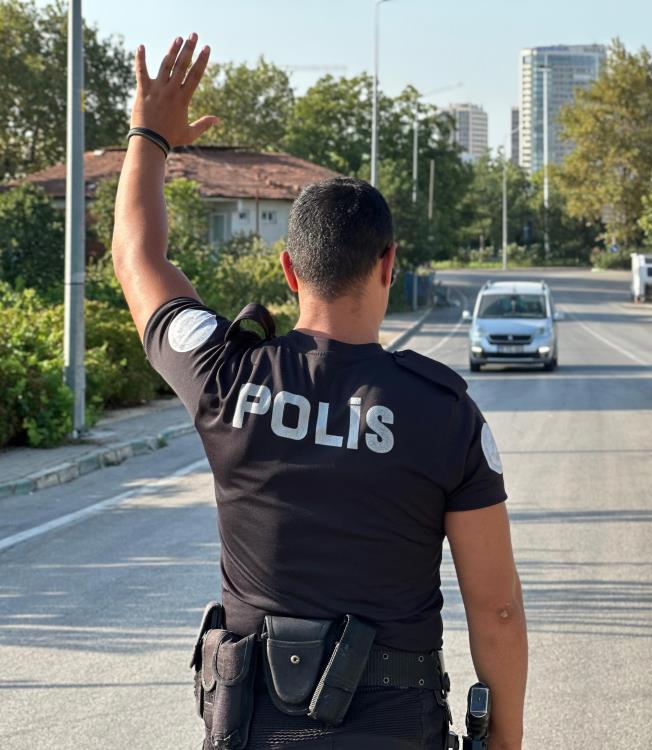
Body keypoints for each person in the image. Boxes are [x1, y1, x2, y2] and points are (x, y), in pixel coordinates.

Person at [112, 34, 527, 750]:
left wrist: (149, 134)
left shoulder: (226, 374)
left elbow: (136, 258)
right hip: (396, 731)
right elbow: (495, 612)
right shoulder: (443, 411)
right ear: (388, 264)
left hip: (250, 728)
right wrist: (506, 742)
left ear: (289, 270)